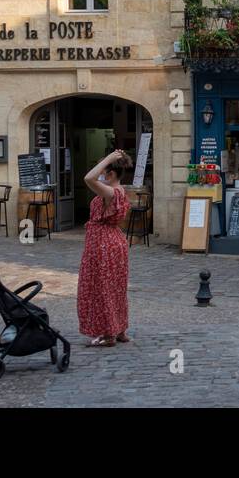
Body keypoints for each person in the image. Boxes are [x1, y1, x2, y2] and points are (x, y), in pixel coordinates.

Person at [77, 148, 133, 347]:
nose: (100, 174)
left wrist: (108, 158)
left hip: (103, 244)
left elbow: (88, 178)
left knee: (101, 288)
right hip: (113, 242)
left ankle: (108, 334)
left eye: (104, 171)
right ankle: (119, 330)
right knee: (114, 287)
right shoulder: (118, 190)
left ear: (110, 173)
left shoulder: (110, 191)